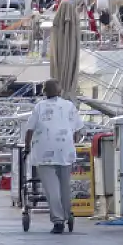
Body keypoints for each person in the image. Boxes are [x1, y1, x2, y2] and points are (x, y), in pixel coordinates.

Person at [23, 79, 80, 234]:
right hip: (65, 151)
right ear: (60, 91)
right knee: (65, 186)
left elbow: (29, 130)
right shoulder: (69, 106)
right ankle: (68, 215)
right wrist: (70, 144)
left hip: (44, 152)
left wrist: (27, 147)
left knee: (52, 189)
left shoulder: (39, 107)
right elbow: (77, 131)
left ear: (44, 92)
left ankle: (58, 221)